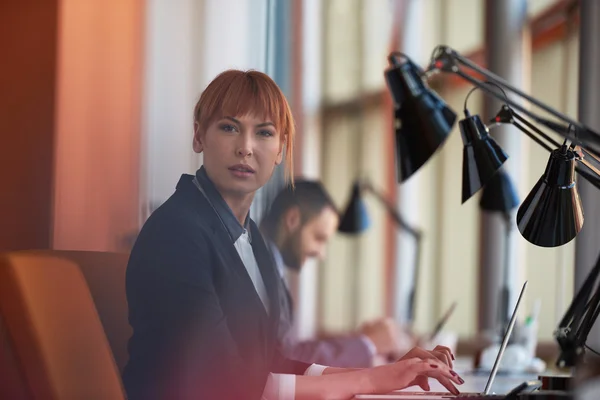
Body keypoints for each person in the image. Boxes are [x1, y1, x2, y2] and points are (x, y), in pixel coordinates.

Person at [122, 69, 463, 400]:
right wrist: (371, 379)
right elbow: (224, 378)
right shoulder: (178, 233)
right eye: (229, 128)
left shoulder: (250, 237)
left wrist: (388, 374)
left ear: (281, 151)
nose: (246, 147)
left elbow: (269, 364)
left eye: (264, 133)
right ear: (199, 136)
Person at [260, 180, 416, 367]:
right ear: (292, 219)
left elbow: (286, 350)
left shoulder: (268, 265)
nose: (322, 253)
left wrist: (361, 344)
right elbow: (282, 359)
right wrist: (368, 344)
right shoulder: (256, 271)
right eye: (319, 238)